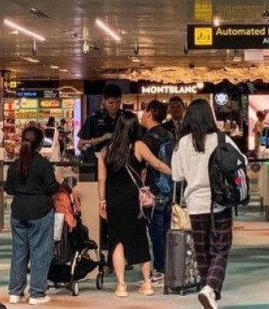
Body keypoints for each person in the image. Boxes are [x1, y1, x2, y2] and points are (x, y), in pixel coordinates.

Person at [171, 99, 245, 309]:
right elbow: (242, 163)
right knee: (221, 249)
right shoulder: (221, 139)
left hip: (194, 204)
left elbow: (176, 175)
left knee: (202, 251)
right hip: (219, 203)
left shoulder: (182, 143)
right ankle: (210, 288)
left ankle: (207, 289)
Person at [97, 114, 171, 297]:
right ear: (134, 128)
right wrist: (176, 173)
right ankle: (147, 284)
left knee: (117, 241)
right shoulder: (138, 146)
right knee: (140, 239)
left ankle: (121, 285)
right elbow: (158, 164)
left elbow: (101, 179)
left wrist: (102, 201)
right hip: (134, 201)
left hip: (114, 200)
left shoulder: (106, 151)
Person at [4, 125, 60, 305]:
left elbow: (9, 189)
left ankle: (15, 292)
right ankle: (36, 293)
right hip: (40, 212)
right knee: (40, 252)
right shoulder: (43, 164)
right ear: (41, 144)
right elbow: (52, 188)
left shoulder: (15, 165)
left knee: (19, 252)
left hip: (18, 212)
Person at [140, 100, 173, 284]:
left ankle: (160, 267)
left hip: (154, 190)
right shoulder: (169, 135)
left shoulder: (147, 139)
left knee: (155, 231)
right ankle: (169, 265)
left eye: (144, 111)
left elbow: (145, 167)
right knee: (166, 229)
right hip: (170, 189)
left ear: (150, 113)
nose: (142, 115)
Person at [78, 84, 137, 156]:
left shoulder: (128, 117)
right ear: (103, 100)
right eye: (111, 103)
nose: (114, 106)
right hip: (99, 160)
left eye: (118, 102)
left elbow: (137, 141)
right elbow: (80, 145)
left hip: (123, 160)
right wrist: (101, 139)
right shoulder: (94, 118)